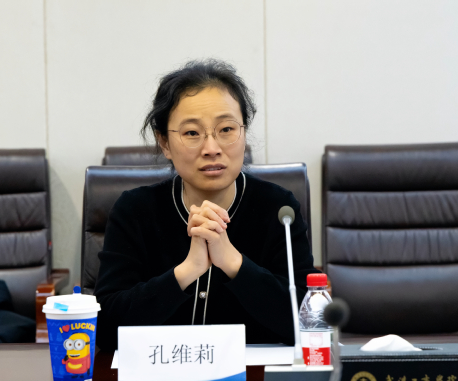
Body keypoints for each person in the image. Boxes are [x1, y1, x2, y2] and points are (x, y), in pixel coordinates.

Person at [94, 59, 317, 351]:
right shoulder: (135, 211)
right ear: (164, 142)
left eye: (226, 129)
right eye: (192, 133)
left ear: (243, 132)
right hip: (161, 375)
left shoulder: (279, 210)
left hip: (252, 376)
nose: (212, 148)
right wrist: (188, 270)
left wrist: (233, 262)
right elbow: (106, 327)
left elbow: (307, 323)